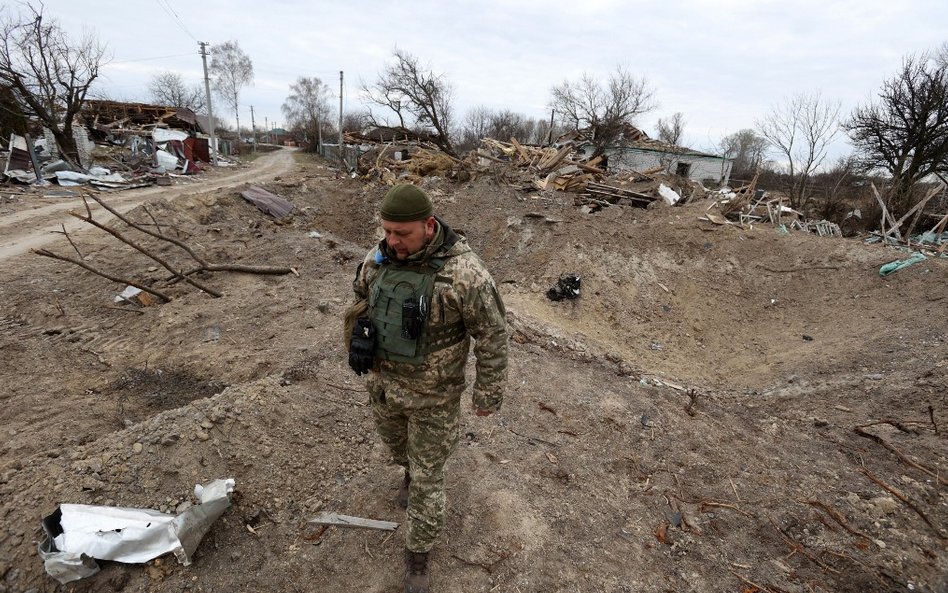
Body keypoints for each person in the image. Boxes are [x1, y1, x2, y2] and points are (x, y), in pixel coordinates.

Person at [346, 183, 508, 593]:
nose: (392, 241)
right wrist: (358, 337)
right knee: (398, 451)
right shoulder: (377, 259)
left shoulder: (465, 273)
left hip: (434, 397)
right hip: (386, 389)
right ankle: (407, 471)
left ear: (429, 225)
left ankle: (418, 555)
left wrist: (486, 393)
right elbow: (361, 300)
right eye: (387, 231)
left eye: (403, 233)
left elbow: (491, 335)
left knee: (428, 474)